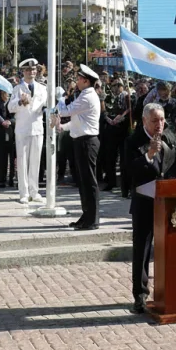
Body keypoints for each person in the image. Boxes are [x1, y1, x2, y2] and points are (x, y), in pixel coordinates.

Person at [125, 102, 176, 314]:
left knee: (171, 247)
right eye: (155, 120)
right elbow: (129, 170)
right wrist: (148, 155)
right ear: (144, 121)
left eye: (162, 120)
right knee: (142, 249)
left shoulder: (170, 136)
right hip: (144, 203)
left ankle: (172, 291)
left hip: (169, 203)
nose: (159, 124)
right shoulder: (133, 140)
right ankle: (140, 295)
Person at [52, 64, 101, 230]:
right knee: (82, 182)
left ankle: (92, 219)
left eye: (80, 78)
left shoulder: (87, 96)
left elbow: (66, 111)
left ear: (86, 81)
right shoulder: (84, 95)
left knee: (89, 182)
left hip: (87, 142)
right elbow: (77, 121)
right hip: (81, 140)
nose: (77, 81)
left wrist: (60, 98)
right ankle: (86, 215)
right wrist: (62, 128)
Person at [8, 59, 47, 205]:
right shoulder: (17, 89)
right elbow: (10, 108)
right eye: (29, 70)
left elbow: (45, 105)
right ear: (24, 72)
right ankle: (23, 193)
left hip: (37, 128)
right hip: (22, 128)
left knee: (35, 161)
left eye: (34, 70)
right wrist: (19, 102)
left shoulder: (42, 88)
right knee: (23, 161)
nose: (32, 72)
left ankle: (34, 191)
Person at [0, 90, 15, 189]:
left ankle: (12, 178)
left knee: (13, 158)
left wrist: (10, 121)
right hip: (0, 133)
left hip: (12, 133)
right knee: (1, 158)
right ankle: (2, 179)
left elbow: (16, 116)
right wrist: (2, 122)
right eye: (6, 94)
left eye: (9, 95)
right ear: (2, 94)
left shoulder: (13, 102)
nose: (8, 96)